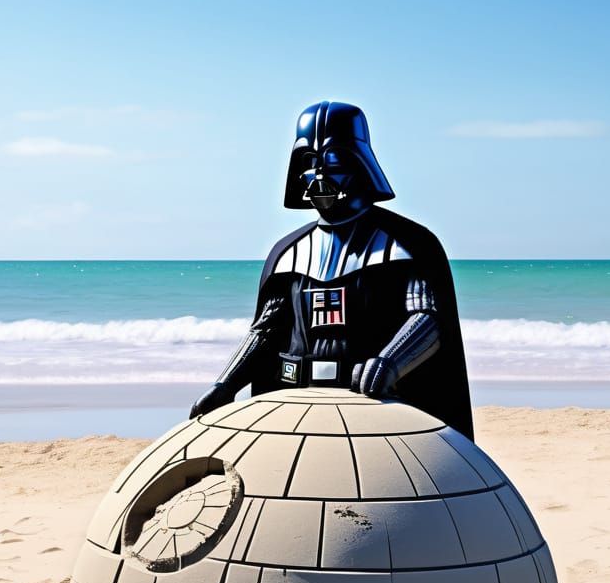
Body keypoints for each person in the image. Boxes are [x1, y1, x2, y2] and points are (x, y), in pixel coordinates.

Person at [189, 100, 474, 440]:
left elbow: (427, 318)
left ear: (360, 163)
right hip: (296, 402)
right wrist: (226, 383)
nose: (319, 174)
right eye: (309, 161)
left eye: (333, 160)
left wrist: (390, 362)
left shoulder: (406, 244)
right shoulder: (287, 253)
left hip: (373, 405)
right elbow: (266, 330)